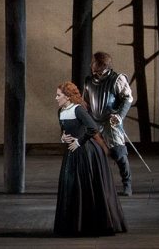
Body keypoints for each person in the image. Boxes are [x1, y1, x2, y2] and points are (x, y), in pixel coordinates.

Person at [53, 82, 127, 236]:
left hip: (86, 152)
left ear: (68, 97)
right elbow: (64, 130)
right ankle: (74, 225)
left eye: (59, 95)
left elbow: (93, 128)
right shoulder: (61, 111)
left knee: (85, 185)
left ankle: (89, 225)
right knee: (71, 185)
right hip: (71, 152)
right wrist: (63, 137)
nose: (56, 98)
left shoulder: (78, 110)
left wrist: (79, 141)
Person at [82, 51, 134, 196]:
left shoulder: (117, 79)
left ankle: (127, 184)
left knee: (119, 153)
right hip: (94, 122)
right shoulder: (89, 81)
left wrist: (119, 116)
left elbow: (128, 98)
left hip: (110, 122)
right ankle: (96, 186)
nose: (91, 65)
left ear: (102, 65)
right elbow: (86, 102)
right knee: (92, 153)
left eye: (94, 62)